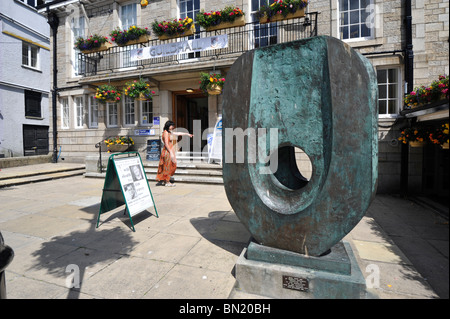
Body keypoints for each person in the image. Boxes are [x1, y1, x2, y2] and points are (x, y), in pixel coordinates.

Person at [156, 120, 193, 187]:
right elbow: (166, 144)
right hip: (168, 151)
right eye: (171, 125)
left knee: (169, 165)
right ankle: (167, 182)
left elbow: (178, 133)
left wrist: (187, 134)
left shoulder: (169, 132)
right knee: (168, 166)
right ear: (168, 125)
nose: (173, 127)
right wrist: (171, 153)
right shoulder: (166, 133)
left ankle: (165, 180)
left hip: (169, 150)